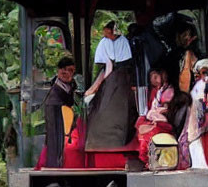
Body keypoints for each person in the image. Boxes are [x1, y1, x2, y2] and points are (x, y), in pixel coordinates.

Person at [84, 21, 136, 149]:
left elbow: (111, 68)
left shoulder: (123, 43)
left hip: (119, 84)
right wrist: (95, 88)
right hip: (111, 82)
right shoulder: (105, 43)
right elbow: (106, 68)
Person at [185, 58, 208, 168]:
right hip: (197, 125)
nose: (202, 77)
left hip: (204, 124)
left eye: (205, 73)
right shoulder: (198, 88)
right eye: (199, 74)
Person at [135, 69, 176, 166]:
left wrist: (157, 112)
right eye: (151, 78)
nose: (153, 80)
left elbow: (167, 108)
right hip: (154, 117)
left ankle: (147, 159)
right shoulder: (156, 91)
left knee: (149, 135)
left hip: (163, 120)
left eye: (156, 77)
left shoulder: (169, 90)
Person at [42, 55, 77, 168]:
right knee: (55, 140)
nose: (67, 73)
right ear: (59, 71)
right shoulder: (56, 88)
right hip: (55, 109)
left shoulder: (71, 85)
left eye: (70, 71)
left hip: (63, 111)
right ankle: (54, 166)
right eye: (64, 71)